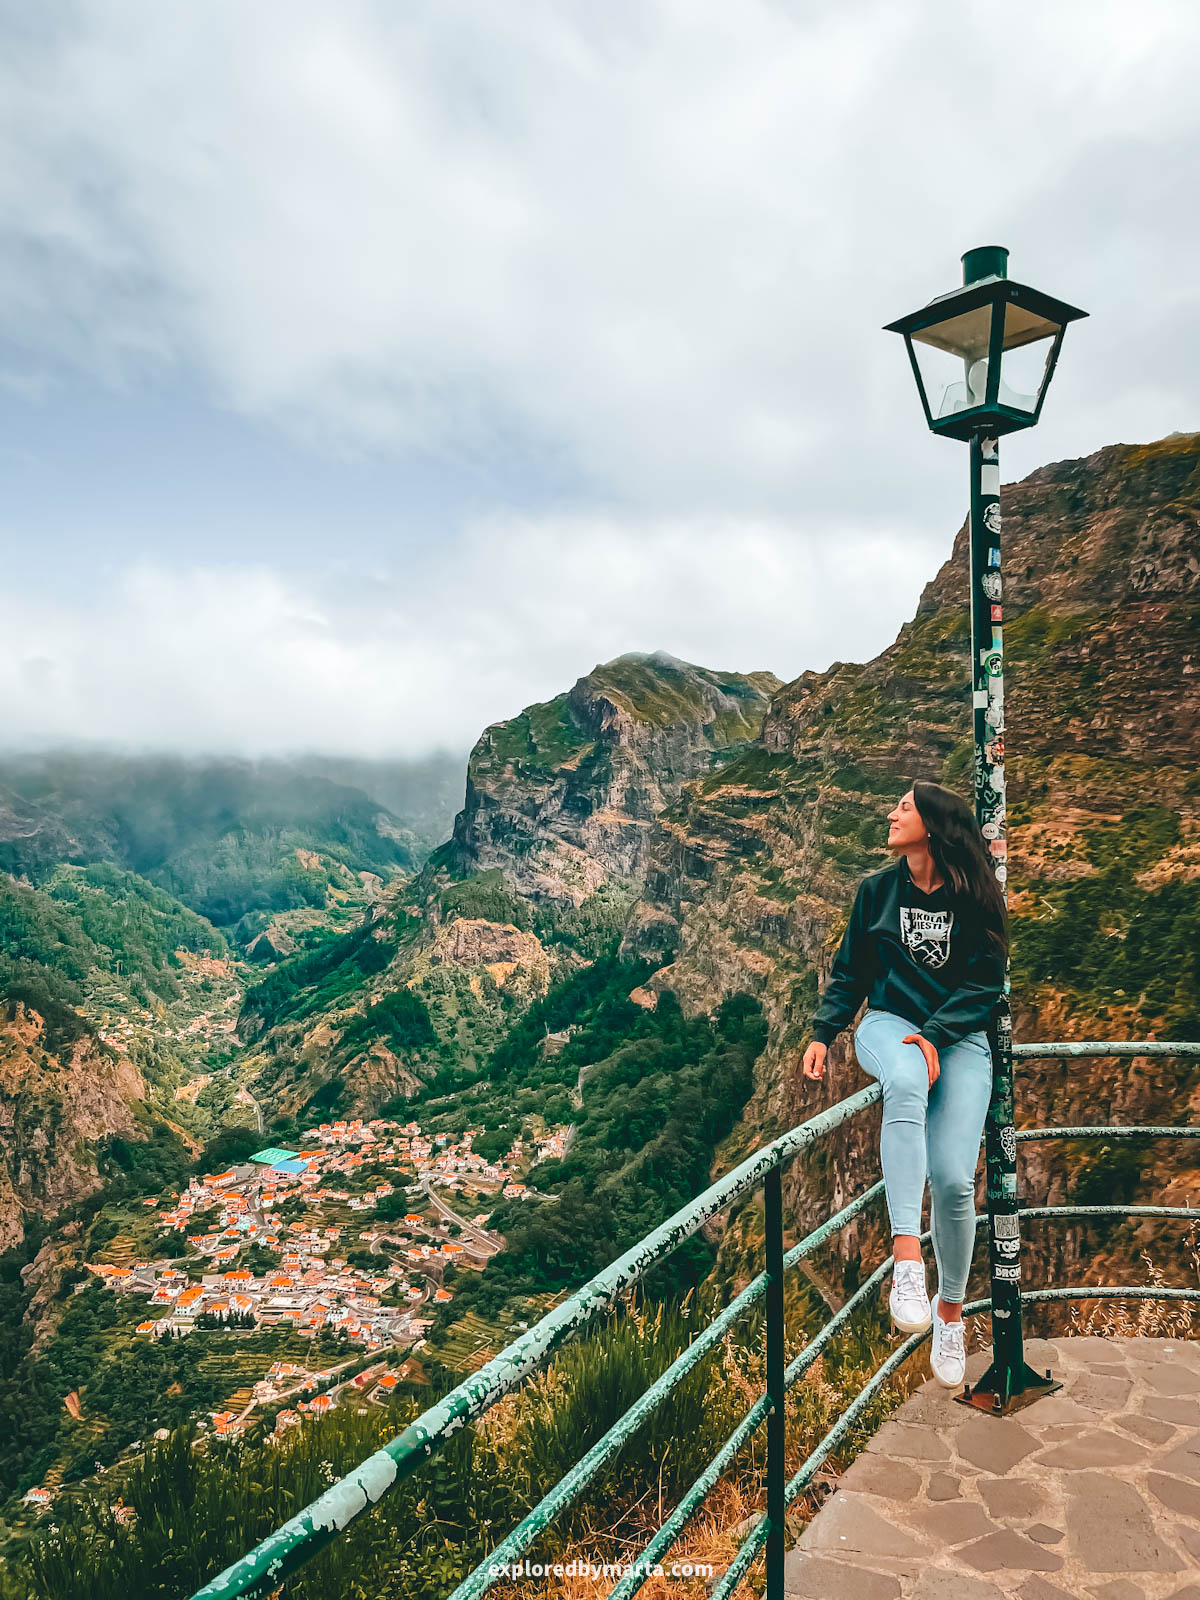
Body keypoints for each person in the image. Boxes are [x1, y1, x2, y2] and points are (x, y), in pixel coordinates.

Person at [799, 780, 1007, 1388]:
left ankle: (948, 1312)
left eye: (905, 808)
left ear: (934, 828)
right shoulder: (877, 892)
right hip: (888, 1024)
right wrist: (823, 1031)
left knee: (953, 1180)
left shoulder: (975, 895)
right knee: (907, 1081)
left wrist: (939, 1036)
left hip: (960, 1038)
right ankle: (906, 1258)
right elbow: (852, 972)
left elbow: (985, 983)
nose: (892, 814)